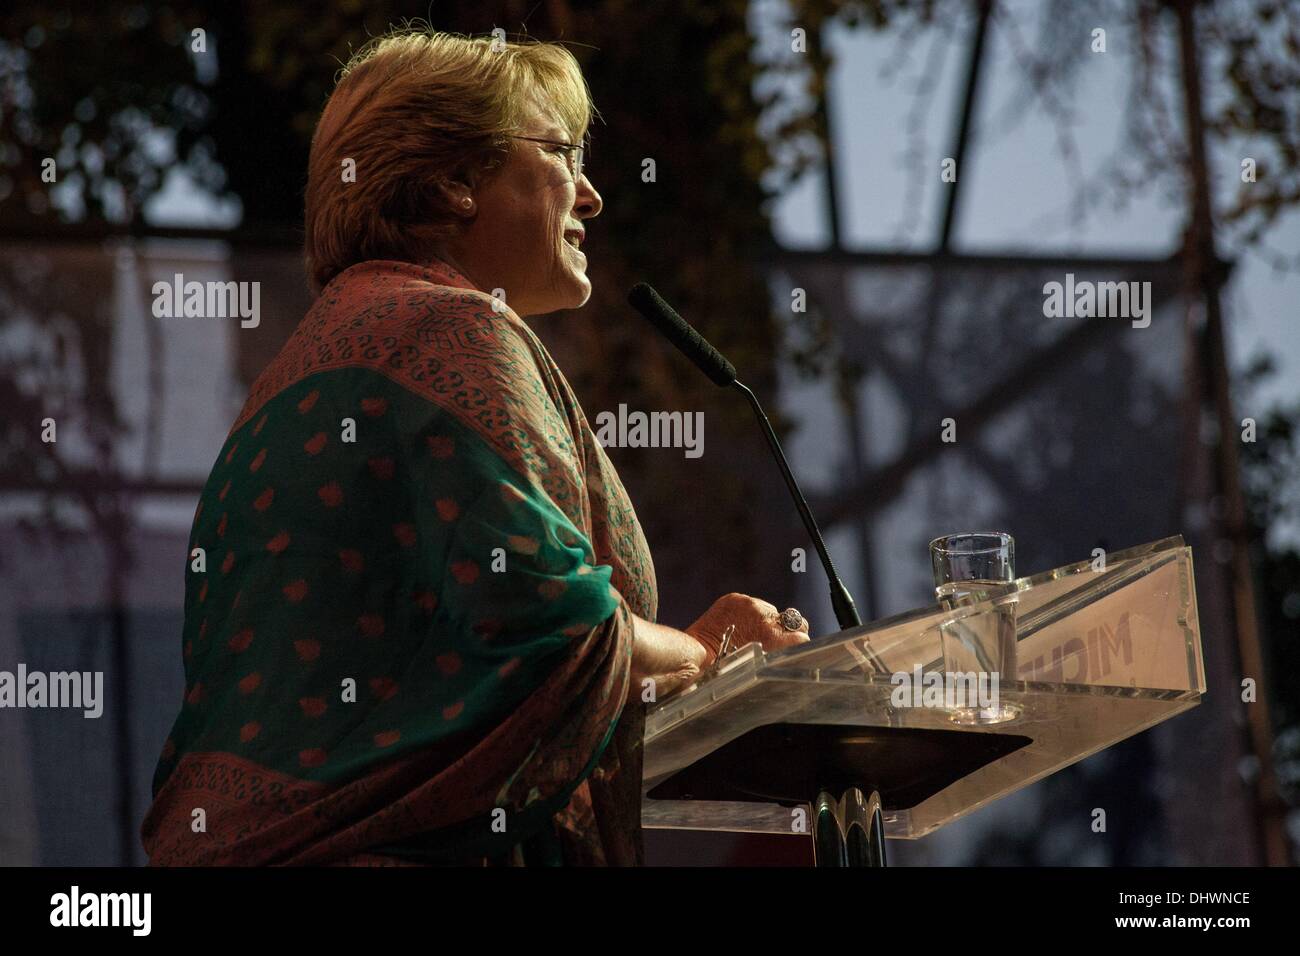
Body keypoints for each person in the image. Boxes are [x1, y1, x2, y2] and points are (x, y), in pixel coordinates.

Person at [141, 29, 809, 867]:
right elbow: (556, 633)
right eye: (564, 152)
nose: (593, 196)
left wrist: (683, 659)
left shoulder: (293, 378)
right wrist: (714, 657)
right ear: (454, 181)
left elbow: (462, 666)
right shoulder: (452, 328)